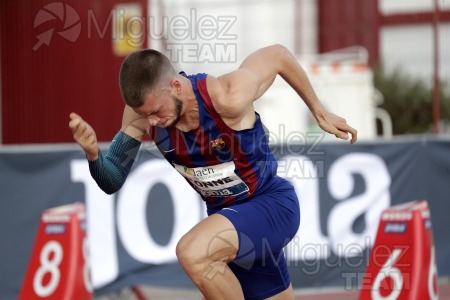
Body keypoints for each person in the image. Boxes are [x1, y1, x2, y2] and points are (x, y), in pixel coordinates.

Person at [69, 44, 357, 300]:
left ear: (176, 87)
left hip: (270, 206)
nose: (153, 121)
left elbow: (278, 55)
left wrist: (318, 111)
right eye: (145, 115)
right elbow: (111, 180)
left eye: (157, 111)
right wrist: (93, 155)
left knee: (192, 253)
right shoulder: (142, 115)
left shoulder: (226, 96)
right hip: (230, 225)